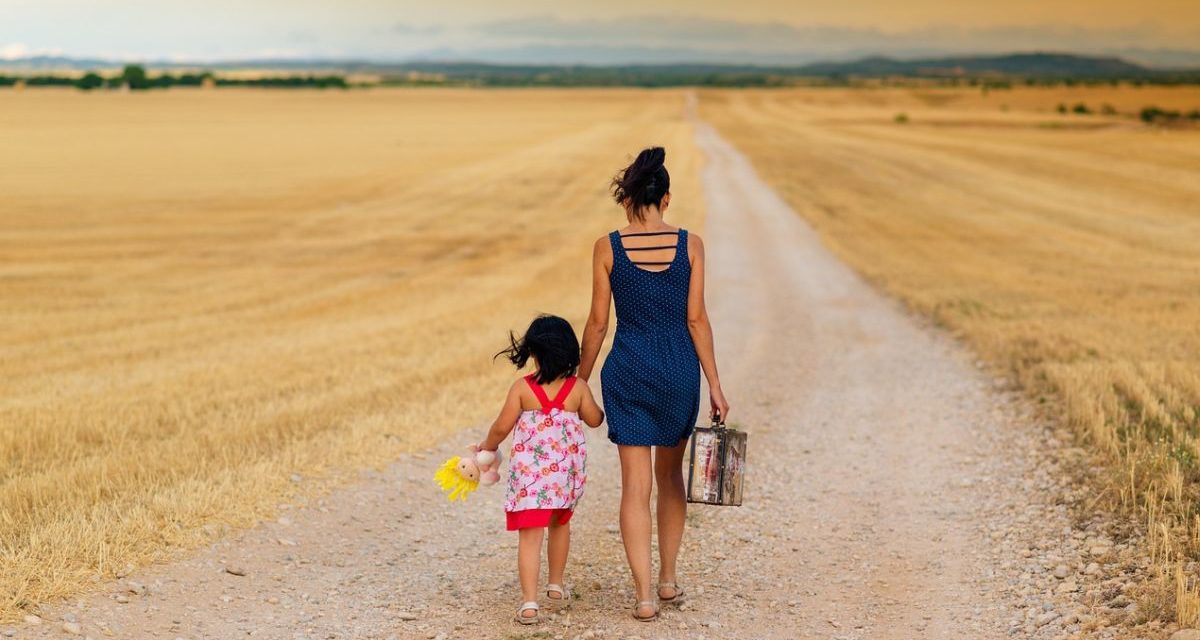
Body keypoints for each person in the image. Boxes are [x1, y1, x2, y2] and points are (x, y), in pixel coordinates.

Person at [578, 146, 730, 622]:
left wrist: (578, 384)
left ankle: (643, 597)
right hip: (677, 372)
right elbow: (696, 319)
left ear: (628, 200)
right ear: (665, 198)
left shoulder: (608, 247)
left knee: (633, 488)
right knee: (669, 480)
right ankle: (667, 580)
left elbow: (598, 325)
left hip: (627, 369)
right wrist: (716, 386)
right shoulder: (691, 245)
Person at [477, 314, 605, 625]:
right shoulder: (578, 389)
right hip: (563, 481)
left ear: (533, 353)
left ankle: (530, 603)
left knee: (530, 537)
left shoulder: (522, 388)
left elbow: (501, 426)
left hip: (530, 483)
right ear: (571, 352)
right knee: (560, 527)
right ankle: (556, 585)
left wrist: (487, 447)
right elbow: (594, 419)